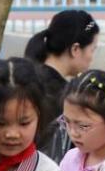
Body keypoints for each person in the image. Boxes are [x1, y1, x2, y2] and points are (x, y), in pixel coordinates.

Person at [24, 9, 100, 161]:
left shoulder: (26, 78)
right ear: (75, 49)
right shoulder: (65, 95)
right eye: (92, 49)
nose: (92, 57)